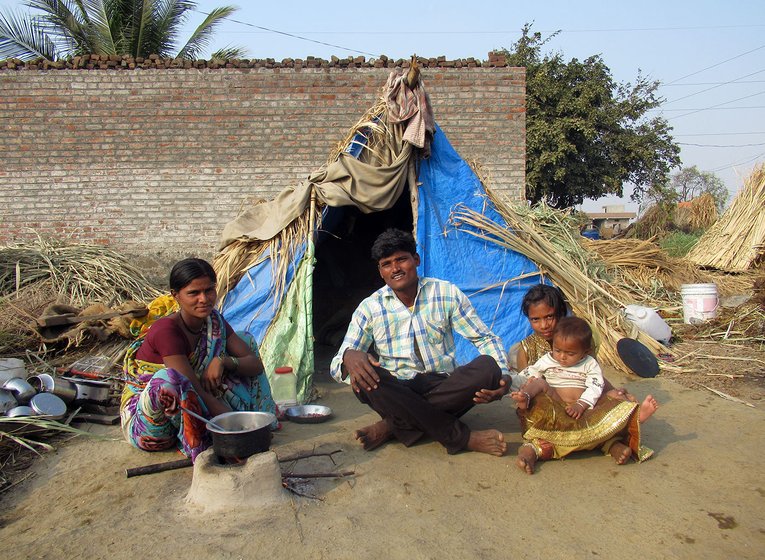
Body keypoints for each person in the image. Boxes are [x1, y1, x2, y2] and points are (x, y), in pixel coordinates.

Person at [329, 228, 510, 456]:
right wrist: (348, 356)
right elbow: (337, 367)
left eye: (401, 259)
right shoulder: (370, 308)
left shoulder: (445, 293)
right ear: (380, 271)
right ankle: (461, 438)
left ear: (416, 259)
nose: (395, 269)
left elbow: (484, 338)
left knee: (488, 368)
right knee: (366, 378)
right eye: (387, 264)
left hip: (442, 383)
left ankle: (393, 425)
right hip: (395, 387)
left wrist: (503, 375)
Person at [120, 258, 277, 461]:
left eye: (209, 290)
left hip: (197, 405)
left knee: (245, 342)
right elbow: (193, 388)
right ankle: (198, 441)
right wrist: (232, 424)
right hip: (152, 425)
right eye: (193, 293)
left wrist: (223, 361)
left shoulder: (214, 321)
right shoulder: (167, 331)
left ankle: (261, 420)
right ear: (175, 296)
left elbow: (255, 364)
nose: (204, 299)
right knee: (170, 379)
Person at [509, 284, 658, 474]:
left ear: (561, 313)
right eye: (535, 319)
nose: (544, 325)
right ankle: (607, 444)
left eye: (549, 317)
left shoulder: (581, 337)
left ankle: (618, 437)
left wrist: (610, 392)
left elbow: (592, 377)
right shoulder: (526, 348)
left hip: (582, 402)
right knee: (535, 401)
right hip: (551, 408)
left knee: (617, 398)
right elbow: (527, 379)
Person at [512, 317, 605, 420]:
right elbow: (529, 372)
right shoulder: (547, 360)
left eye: (570, 353)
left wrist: (581, 404)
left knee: (608, 397)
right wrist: (511, 383)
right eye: (557, 350)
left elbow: (595, 386)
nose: (562, 357)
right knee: (538, 382)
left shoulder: (589, 363)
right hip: (554, 400)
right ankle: (525, 397)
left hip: (578, 403)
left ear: (586, 352)